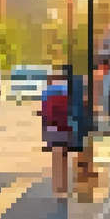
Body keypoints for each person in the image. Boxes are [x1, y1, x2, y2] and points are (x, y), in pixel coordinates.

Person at [41, 68, 74, 199]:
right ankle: (64, 187)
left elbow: (45, 114)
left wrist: (44, 132)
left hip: (53, 128)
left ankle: (57, 189)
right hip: (66, 127)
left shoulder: (47, 93)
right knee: (64, 158)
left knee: (56, 159)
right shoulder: (68, 92)